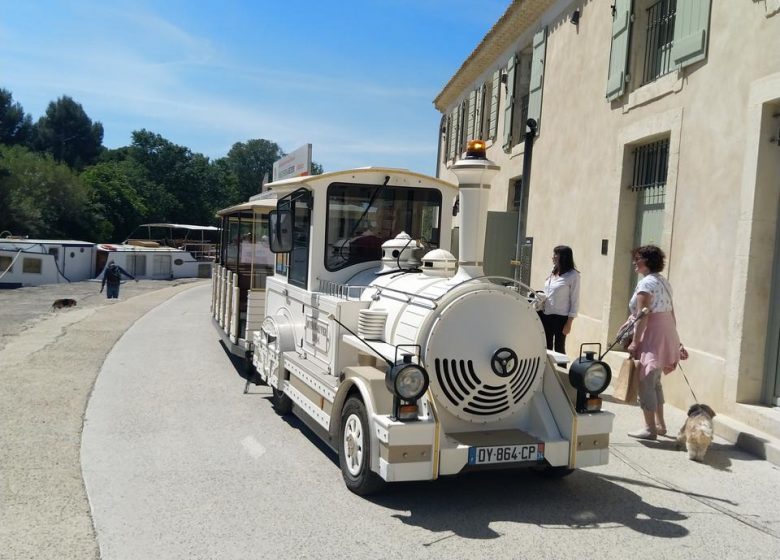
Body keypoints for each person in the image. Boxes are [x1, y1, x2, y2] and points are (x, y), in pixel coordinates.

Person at [623, 245, 688, 440]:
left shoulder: (646, 284)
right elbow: (671, 311)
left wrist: (635, 342)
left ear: (648, 261)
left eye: (638, 259)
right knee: (655, 381)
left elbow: (642, 316)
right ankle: (659, 424)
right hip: (666, 331)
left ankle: (650, 428)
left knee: (645, 381)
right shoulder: (663, 282)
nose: (635, 262)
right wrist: (677, 342)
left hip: (652, 332)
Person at [538, 245, 580, 354]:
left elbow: (575, 300)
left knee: (559, 349)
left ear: (564, 257)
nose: (553, 257)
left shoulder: (573, 275)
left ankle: (560, 371)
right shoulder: (553, 272)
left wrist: (569, 323)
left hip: (561, 318)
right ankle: (547, 370)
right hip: (546, 314)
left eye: (556, 255)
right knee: (545, 347)